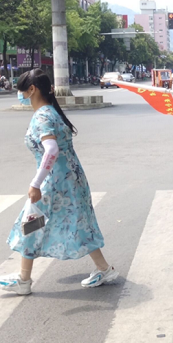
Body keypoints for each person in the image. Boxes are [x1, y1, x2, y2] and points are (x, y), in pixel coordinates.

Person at [0, 70, 117, 296]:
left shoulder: (42, 116)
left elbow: (51, 150)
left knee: (30, 224)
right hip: (71, 178)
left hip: (53, 184)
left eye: (21, 89)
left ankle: (24, 280)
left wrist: (36, 183)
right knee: (79, 222)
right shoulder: (52, 111)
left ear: (32, 89)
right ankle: (104, 269)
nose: (19, 94)